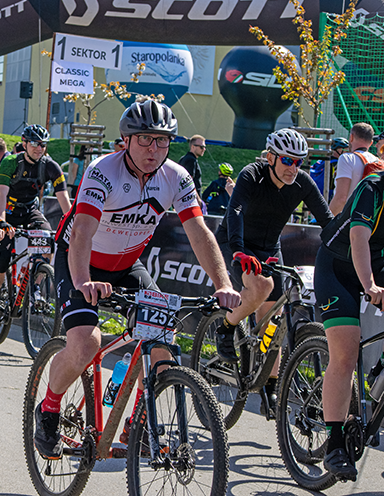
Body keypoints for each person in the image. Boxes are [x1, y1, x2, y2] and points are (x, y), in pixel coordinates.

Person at [33, 99, 240, 459]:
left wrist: (222, 283)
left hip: (128, 266)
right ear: (126, 140)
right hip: (80, 261)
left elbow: (199, 232)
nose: (153, 149)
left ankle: (137, 426)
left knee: (163, 343)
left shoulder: (177, 176)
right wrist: (83, 281)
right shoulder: (102, 171)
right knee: (85, 343)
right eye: (144, 139)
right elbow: (81, 231)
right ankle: (49, 408)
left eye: (162, 141)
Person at [213, 128, 333, 416]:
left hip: (269, 247)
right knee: (260, 288)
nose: (293, 168)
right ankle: (226, 328)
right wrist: (239, 249)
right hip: (235, 242)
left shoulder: (301, 182)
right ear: (270, 157)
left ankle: (271, 383)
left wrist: (350, 250)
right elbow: (236, 212)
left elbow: (327, 221)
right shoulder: (251, 174)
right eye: (287, 161)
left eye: (299, 162)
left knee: (273, 322)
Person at [315, 169, 384, 481]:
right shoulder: (372, 188)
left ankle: (381, 369)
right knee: (345, 353)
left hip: (377, 262)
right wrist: (369, 285)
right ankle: (334, 443)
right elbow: (358, 237)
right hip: (338, 266)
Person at [0, 124, 72, 328]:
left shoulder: (51, 166)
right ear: (24, 143)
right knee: (2, 256)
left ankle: (36, 286)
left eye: (43, 144)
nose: (39, 148)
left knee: (47, 239)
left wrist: (73, 225)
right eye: (34, 143)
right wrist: (1, 221)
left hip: (30, 210)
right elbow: (1, 195)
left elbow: (64, 200)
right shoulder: (11, 162)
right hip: (9, 211)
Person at [329, 123, 380, 215]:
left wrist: (327, 220)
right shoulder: (378, 162)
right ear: (371, 143)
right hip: (369, 219)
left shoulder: (347, 158)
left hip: (349, 219)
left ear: (351, 137)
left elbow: (341, 198)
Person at [310, 137, 348, 201]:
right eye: (346, 150)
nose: (347, 153)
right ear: (339, 150)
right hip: (329, 197)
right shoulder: (337, 164)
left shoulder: (322, 160)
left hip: (315, 194)